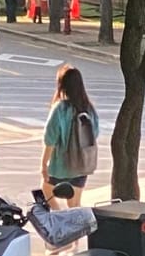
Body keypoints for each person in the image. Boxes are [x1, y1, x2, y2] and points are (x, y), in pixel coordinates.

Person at [41, 63, 100, 199]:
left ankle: (58, 216)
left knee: (46, 193)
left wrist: (44, 165)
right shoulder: (89, 109)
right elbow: (95, 133)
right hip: (81, 165)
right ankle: (72, 220)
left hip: (59, 167)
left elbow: (50, 139)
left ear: (63, 85)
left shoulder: (60, 109)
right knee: (74, 204)